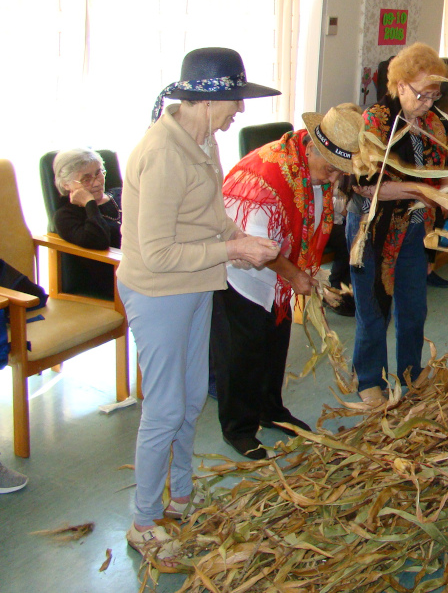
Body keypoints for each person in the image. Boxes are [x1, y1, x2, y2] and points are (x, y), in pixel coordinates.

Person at [117, 48, 282, 572]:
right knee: (165, 408)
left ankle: (180, 498)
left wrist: (243, 237)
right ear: (207, 98)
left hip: (194, 285)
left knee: (190, 399)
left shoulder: (204, 140)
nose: (239, 112)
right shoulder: (162, 153)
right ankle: (143, 521)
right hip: (159, 292)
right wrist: (234, 251)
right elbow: (159, 251)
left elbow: (212, 216)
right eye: (236, 100)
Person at [210, 105, 362, 460]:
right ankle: (238, 428)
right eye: (330, 169)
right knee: (241, 354)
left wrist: (301, 269)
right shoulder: (267, 176)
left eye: (341, 172)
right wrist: (295, 275)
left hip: (277, 275)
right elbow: (257, 250)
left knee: (274, 345)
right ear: (313, 148)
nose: (333, 178)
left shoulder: (312, 167)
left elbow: (311, 218)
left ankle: (271, 409)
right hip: (242, 274)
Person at [347, 43, 448, 407]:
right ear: (401, 86)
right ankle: (368, 379)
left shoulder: (431, 122)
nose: (428, 103)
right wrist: (424, 190)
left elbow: (440, 178)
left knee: (413, 306)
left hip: (413, 230)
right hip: (372, 230)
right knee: (374, 307)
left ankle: (411, 371)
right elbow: (363, 184)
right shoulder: (376, 120)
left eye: (435, 95)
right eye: (423, 94)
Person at [52, 147, 122, 299]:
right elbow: (99, 241)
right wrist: (90, 203)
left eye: (99, 173)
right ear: (66, 185)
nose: (96, 183)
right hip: (117, 280)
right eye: (86, 179)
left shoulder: (121, 194)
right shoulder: (67, 217)